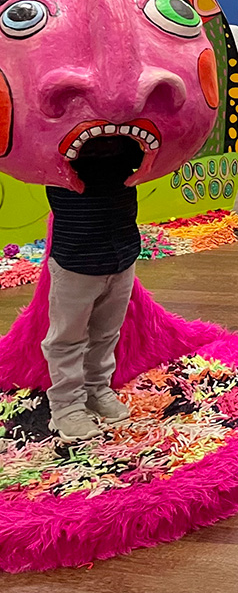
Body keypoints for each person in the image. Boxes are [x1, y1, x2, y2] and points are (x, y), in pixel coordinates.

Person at [40, 140, 143, 442]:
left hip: (121, 254)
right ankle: (66, 406)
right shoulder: (60, 148)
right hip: (76, 259)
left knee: (106, 333)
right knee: (67, 339)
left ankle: (97, 389)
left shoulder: (127, 143)